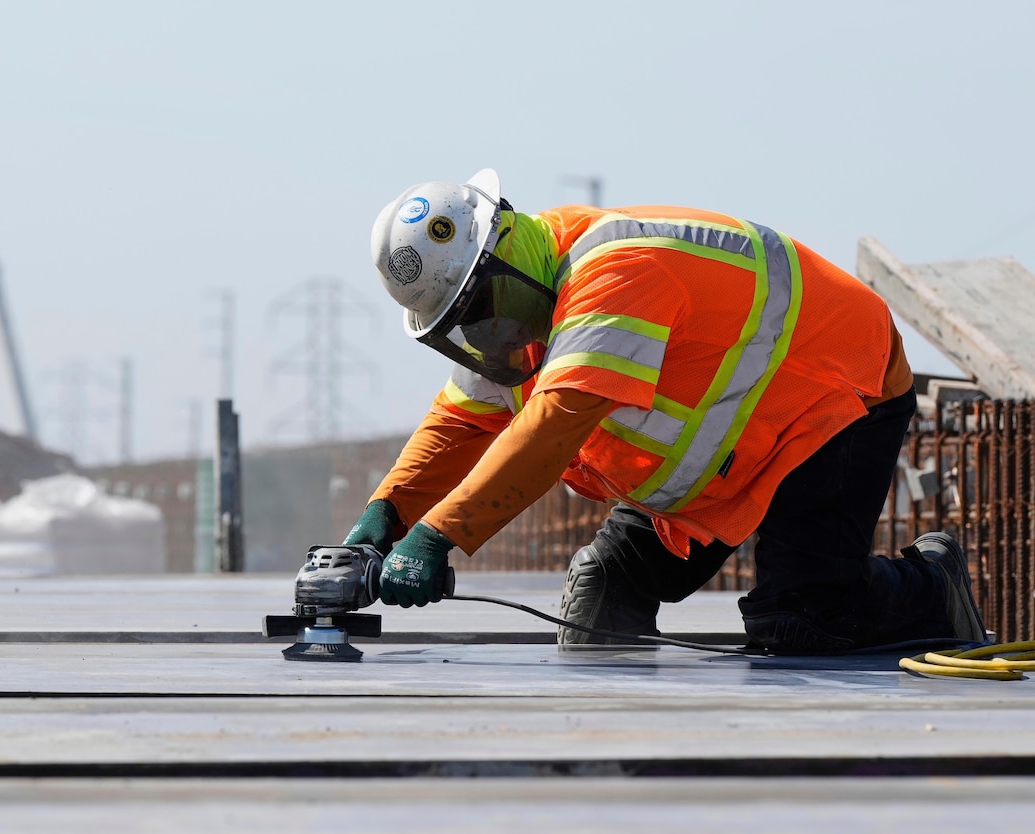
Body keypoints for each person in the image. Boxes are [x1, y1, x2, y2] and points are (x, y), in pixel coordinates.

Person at [346, 169, 986, 652]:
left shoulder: (615, 272)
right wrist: (386, 514)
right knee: (600, 604)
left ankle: (936, 586)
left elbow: (552, 428)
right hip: (732, 450)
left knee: (804, 620)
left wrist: (437, 536)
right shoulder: (517, 320)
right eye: (462, 323)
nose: (485, 330)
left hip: (830, 393)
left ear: (507, 250)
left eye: (483, 303)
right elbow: (460, 422)